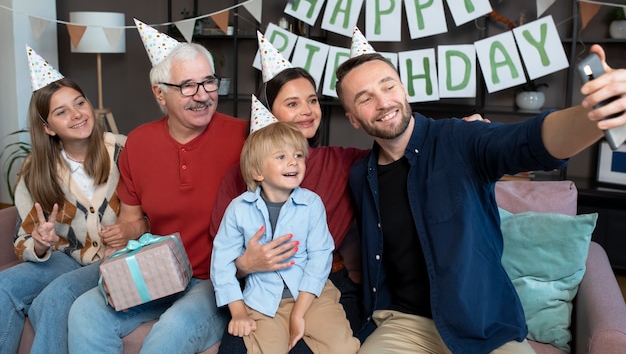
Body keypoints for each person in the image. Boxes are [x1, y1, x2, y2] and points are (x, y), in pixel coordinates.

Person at [333, 32, 626, 354]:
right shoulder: (362, 174)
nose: (383, 102)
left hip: (483, 324)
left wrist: (593, 115)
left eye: (388, 86)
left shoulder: (461, 139)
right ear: (353, 119)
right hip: (402, 324)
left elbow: (528, 142)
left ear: (403, 89)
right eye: (365, 98)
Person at [210, 32, 486, 354]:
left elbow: (398, 140)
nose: (308, 111)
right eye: (292, 103)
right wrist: (246, 264)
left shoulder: (344, 163)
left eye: (313, 100)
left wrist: (457, 131)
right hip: (255, 289)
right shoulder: (240, 179)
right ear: (270, 114)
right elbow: (222, 258)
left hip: (324, 283)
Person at [67, 20, 248, 354]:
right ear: (159, 93)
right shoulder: (139, 142)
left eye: (209, 82)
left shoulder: (244, 137)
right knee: (86, 311)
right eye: (188, 87)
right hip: (160, 269)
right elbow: (134, 221)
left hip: (216, 280)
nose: (203, 96)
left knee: (170, 331)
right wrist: (121, 236)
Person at [0, 46, 128, 354]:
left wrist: (130, 230)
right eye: (61, 112)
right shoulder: (35, 170)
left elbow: (152, 212)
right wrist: (40, 243)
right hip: (61, 258)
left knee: (56, 297)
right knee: (4, 288)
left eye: (79, 103)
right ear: (47, 127)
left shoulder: (124, 151)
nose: (76, 114)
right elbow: (22, 239)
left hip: (111, 261)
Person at [211, 115, 360, 354]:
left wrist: (299, 313)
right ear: (257, 172)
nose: (293, 162)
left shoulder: (312, 203)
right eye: (281, 156)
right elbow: (221, 264)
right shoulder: (238, 209)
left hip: (312, 296)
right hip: (262, 301)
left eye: (298, 155)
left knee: (342, 347)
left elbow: (320, 257)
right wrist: (238, 312)